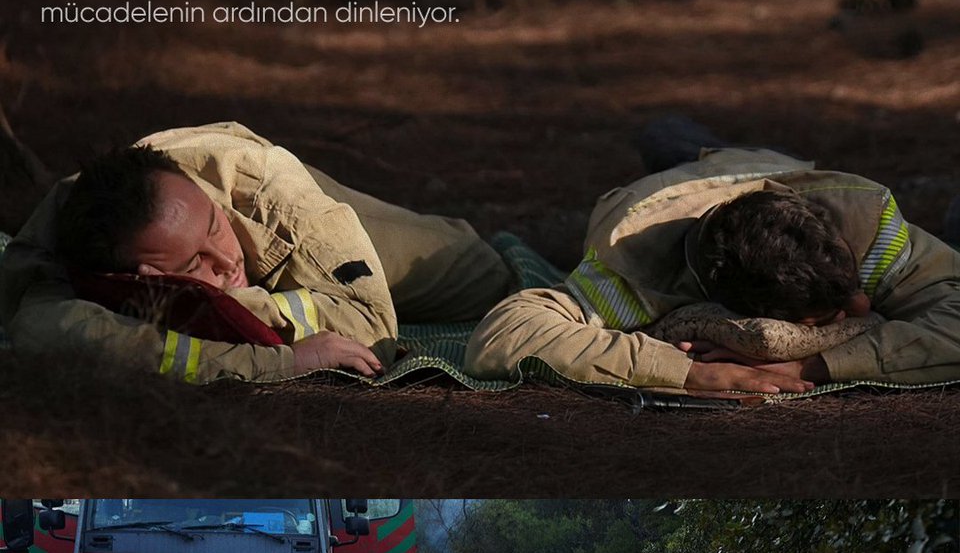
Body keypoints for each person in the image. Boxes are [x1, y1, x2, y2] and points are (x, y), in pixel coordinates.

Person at [465, 119, 960, 394]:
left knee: (742, 152)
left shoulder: (863, 224)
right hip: (662, 197)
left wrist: (816, 365)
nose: (862, 309)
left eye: (850, 288)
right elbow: (503, 335)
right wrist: (687, 373)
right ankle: (674, 145)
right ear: (745, 311)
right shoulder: (633, 274)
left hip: (768, 166)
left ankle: (698, 145)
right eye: (827, 312)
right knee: (671, 149)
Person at [0, 122, 512, 384]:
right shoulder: (52, 253)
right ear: (140, 278)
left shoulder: (260, 180)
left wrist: (237, 306)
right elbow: (47, 332)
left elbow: (371, 327)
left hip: (289, 224)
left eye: (213, 228)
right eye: (193, 264)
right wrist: (285, 364)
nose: (225, 262)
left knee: (478, 269)